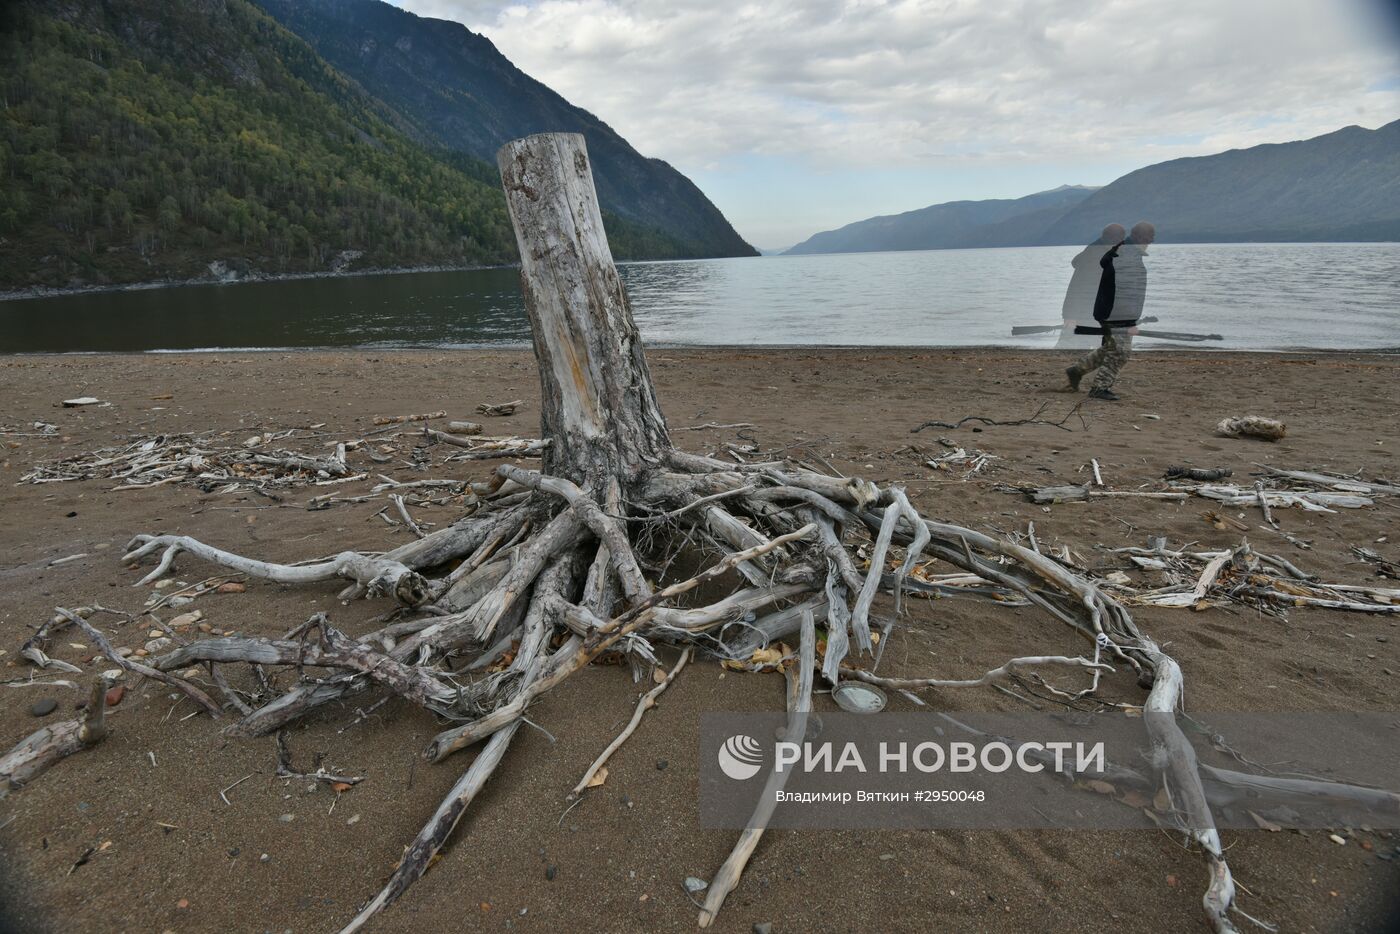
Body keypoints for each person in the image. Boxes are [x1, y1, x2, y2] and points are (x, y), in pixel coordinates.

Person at [1065, 220, 1155, 400]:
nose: (1150, 243)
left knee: (1109, 348)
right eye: (1148, 239)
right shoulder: (1125, 254)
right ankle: (1099, 388)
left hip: (1112, 311)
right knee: (1120, 353)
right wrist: (1128, 321)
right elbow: (1123, 290)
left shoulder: (1126, 252)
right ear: (1138, 236)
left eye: (1152, 240)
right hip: (1115, 313)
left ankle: (1076, 371)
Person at [1056, 223, 1125, 351]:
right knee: (1069, 349)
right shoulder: (1093, 256)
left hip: (1094, 312)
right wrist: (1069, 315)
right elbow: (1075, 287)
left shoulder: (1101, 252)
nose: (1123, 242)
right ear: (1111, 238)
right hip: (1084, 313)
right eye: (1120, 238)